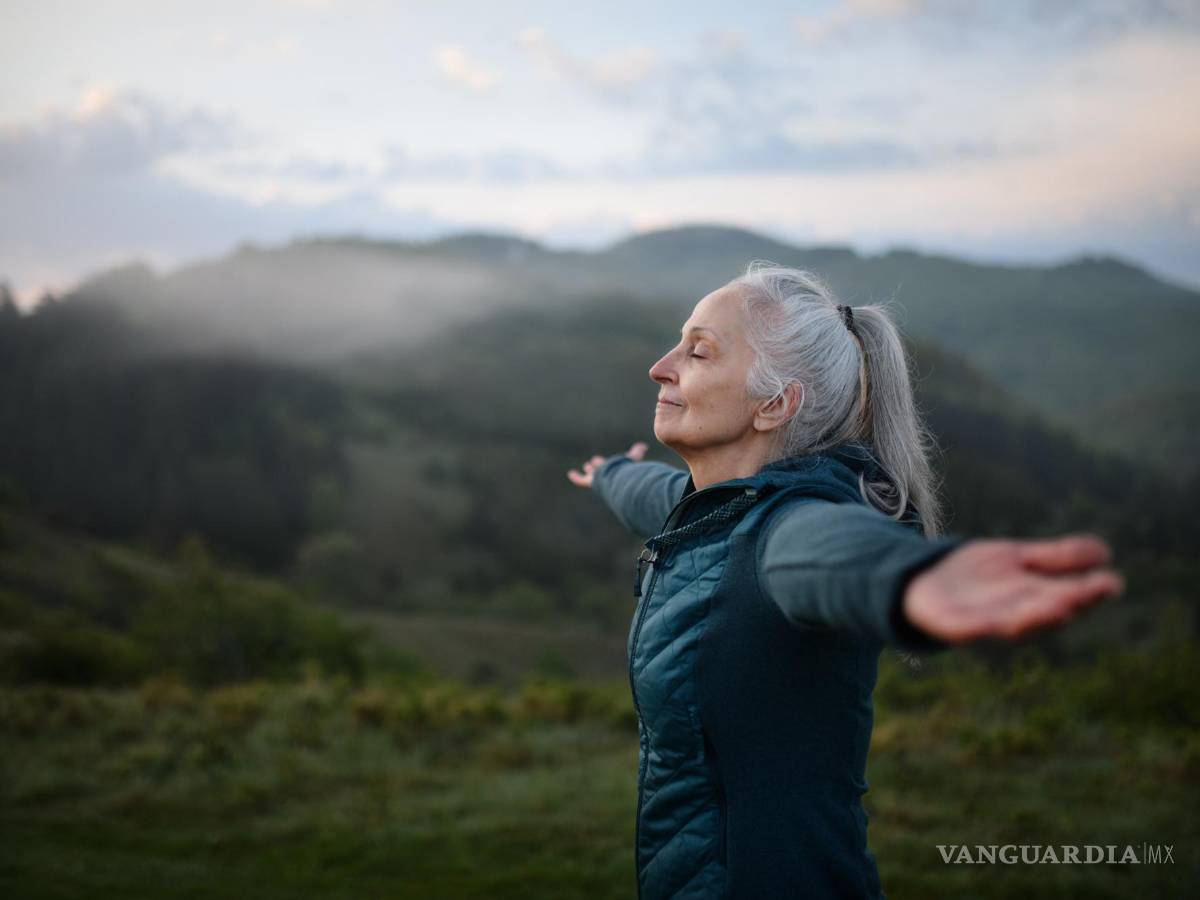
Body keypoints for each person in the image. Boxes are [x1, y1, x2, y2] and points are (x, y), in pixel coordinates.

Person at [566, 263, 1123, 900]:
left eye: (697, 351)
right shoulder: (716, 509)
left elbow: (830, 554)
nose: (660, 367)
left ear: (774, 405)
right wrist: (609, 475)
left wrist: (910, 578)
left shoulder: (786, 529)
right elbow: (659, 496)